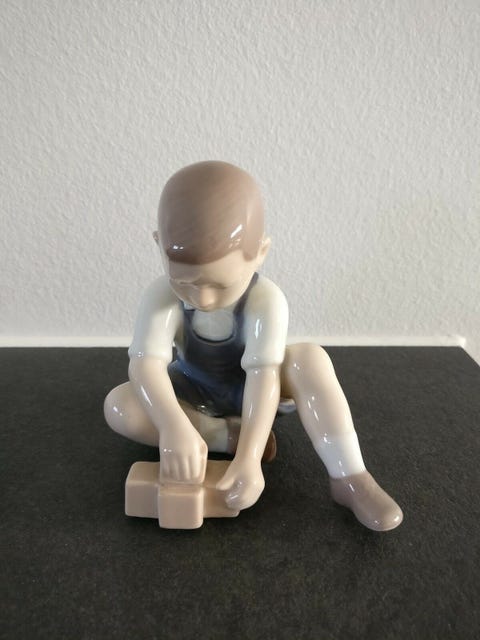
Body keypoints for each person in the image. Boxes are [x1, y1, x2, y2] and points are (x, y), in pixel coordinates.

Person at [104, 161, 403, 531]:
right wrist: (173, 426)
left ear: (261, 253)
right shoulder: (161, 296)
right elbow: (145, 366)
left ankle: (350, 477)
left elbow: (263, 377)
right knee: (119, 406)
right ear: (158, 247)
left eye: (221, 285)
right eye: (185, 283)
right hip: (194, 390)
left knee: (309, 358)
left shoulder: (265, 300)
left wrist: (249, 462)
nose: (203, 298)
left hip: (254, 393)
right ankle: (221, 437)